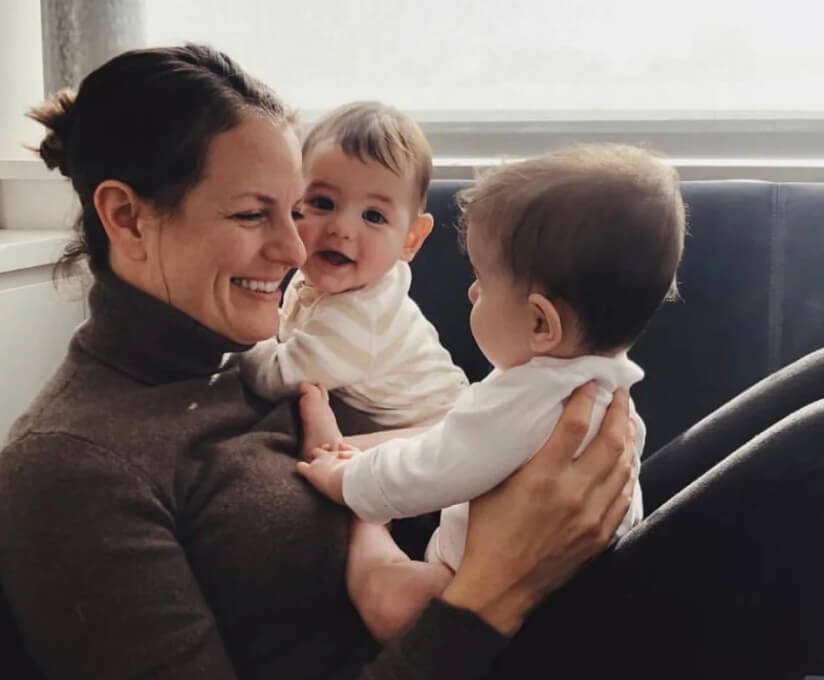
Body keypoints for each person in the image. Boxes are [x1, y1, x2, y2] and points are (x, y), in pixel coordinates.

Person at [1, 43, 822, 680]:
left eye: (296, 210)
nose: (296, 248)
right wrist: (491, 591)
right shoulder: (75, 472)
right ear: (127, 217)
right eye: (256, 215)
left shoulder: (241, 355)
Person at [296, 144, 683, 641]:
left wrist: (345, 483)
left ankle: (365, 528)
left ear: (541, 322)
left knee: (390, 602)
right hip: (571, 603)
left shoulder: (523, 399)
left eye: (482, 279)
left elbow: (429, 470)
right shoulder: (609, 387)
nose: (472, 293)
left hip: (483, 600)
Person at [239, 102, 468, 428]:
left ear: (411, 239)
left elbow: (275, 377)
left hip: (438, 436)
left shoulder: (364, 315)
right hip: (390, 425)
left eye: (373, 216)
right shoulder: (315, 277)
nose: (341, 229)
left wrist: (241, 333)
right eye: (322, 203)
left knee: (330, 461)